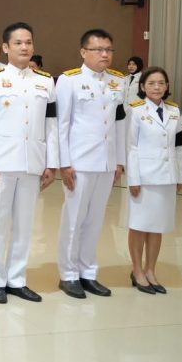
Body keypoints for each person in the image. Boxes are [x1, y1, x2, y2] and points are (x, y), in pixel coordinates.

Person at [0, 22, 58, 304]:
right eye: (18, 43)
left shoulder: (45, 82)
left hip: (32, 161)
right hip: (1, 162)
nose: (25, 47)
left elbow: (51, 125)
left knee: (25, 224)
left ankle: (17, 279)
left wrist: (52, 163)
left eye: (29, 42)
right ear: (6, 48)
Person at [54, 29, 125, 299]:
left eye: (109, 50)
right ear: (84, 52)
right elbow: (62, 124)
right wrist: (64, 163)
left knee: (96, 220)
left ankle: (88, 272)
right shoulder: (69, 81)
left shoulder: (118, 81)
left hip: (106, 162)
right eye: (98, 50)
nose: (105, 55)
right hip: (80, 162)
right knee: (74, 219)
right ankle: (69, 274)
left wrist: (119, 161)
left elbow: (119, 124)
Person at [125, 67, 182, 294]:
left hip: (167, 176)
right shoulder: (135, 110)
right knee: (139, 225)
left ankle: (150, 270)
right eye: (151, 83)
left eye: (161, 83)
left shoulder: (174, 111)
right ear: (142, 87)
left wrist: (179, 175)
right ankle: (137, 270)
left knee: (158, 226)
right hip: (144, 177)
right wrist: (133, 179)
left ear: (167, 86)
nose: (157, 87)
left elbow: (178, 146)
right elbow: (131, 147)